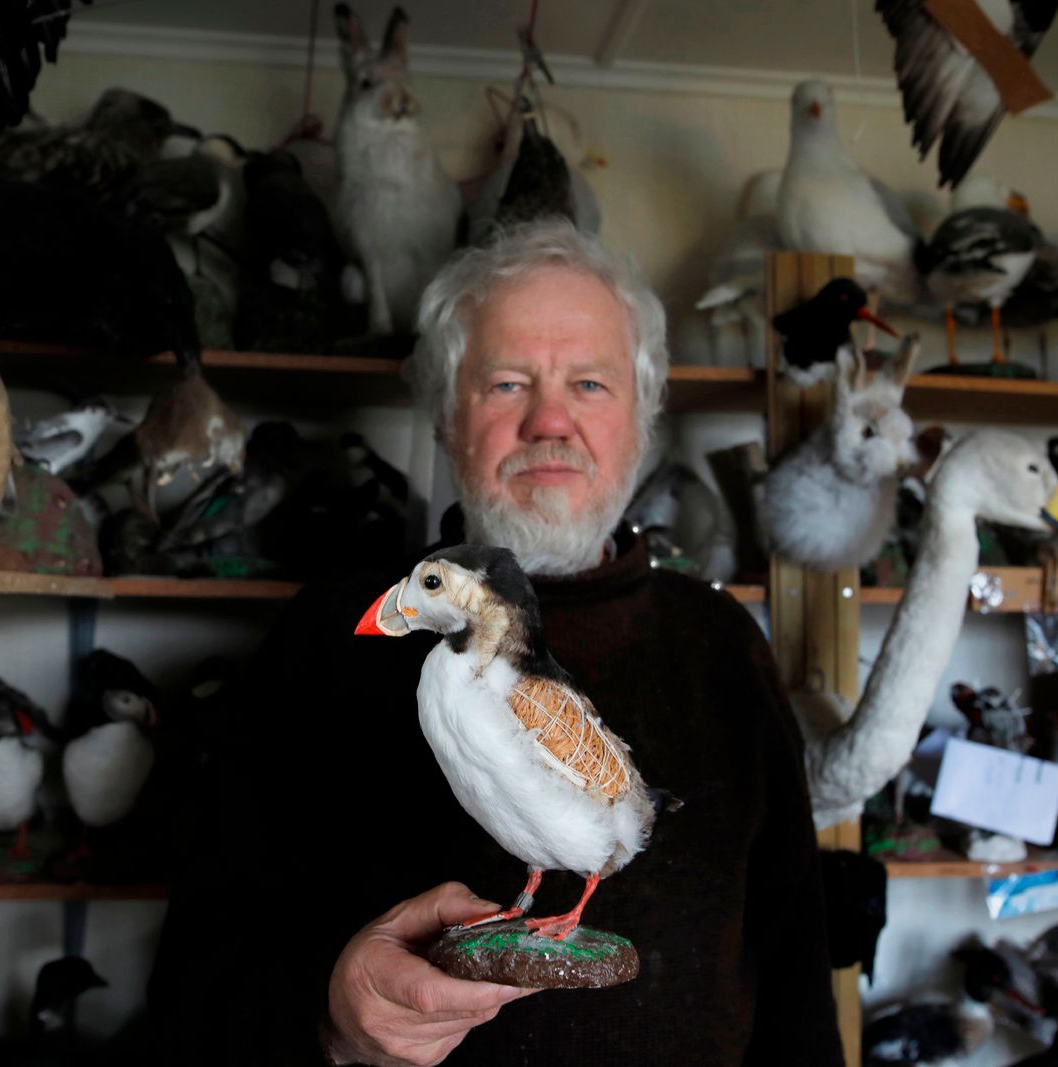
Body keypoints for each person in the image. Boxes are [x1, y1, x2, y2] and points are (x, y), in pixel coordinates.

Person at [147, 220, 843, 1066]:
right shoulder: (326, 637)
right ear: (446, 416)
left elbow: (797, 971)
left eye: (589, 383)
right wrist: (328, 1021)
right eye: (507, 383)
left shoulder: (725, 643)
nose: (550, 420)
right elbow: (198, 976)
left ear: (644, 417)